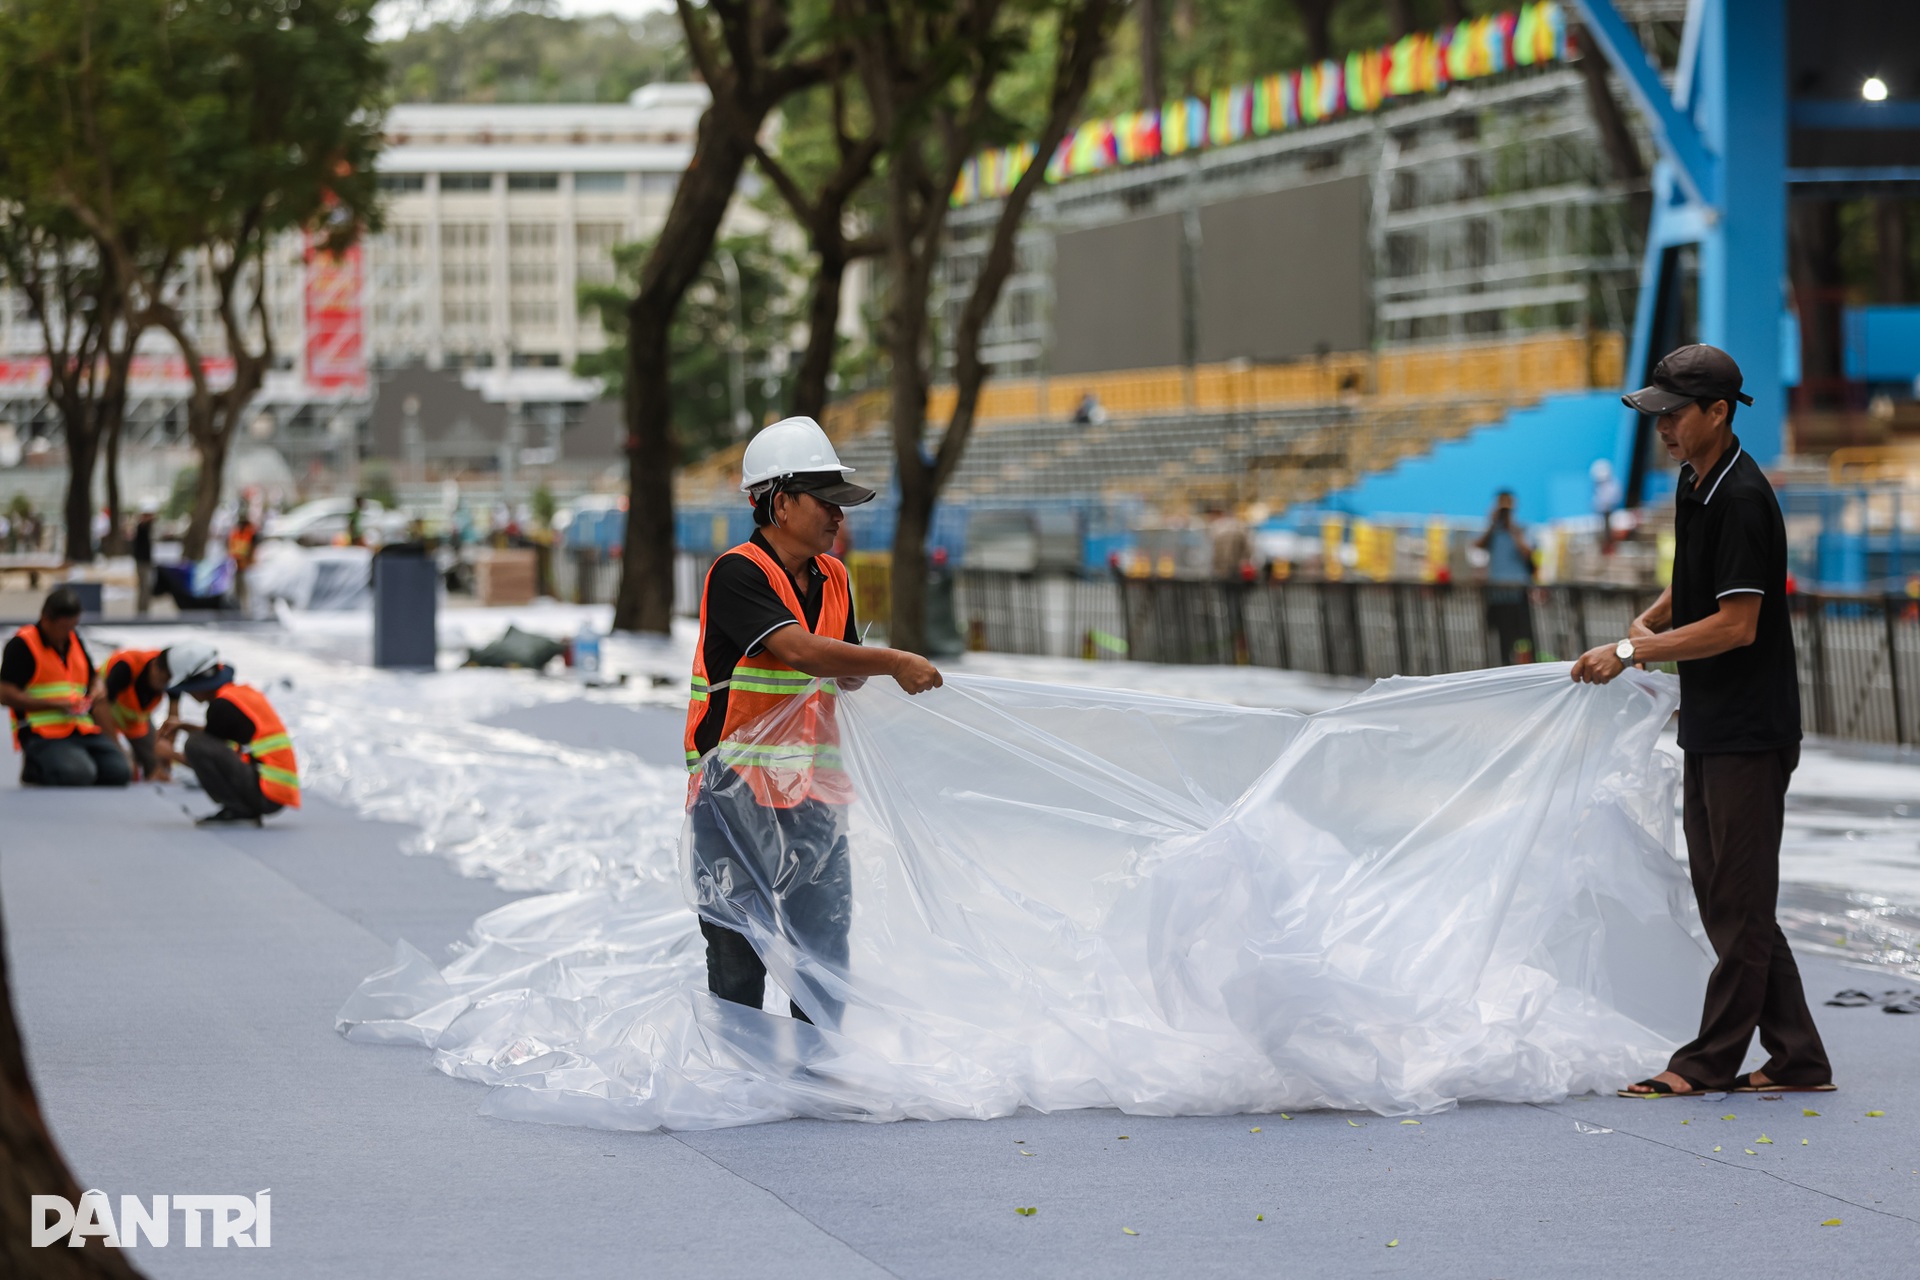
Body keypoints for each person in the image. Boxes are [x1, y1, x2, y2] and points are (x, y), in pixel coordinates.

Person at [1572, 343, 1832, 1098]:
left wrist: (1628, 650)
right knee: (1728, 896)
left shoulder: (1743, 498)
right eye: (1656, 417)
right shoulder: (1698, 482)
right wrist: (1651, 619)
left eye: (1673, 416)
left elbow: (1735, 624)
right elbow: (1694, 582)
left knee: (1740, 901)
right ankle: (1800, 1057)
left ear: (1718, 413)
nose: (1662, 431)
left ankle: (1706, 1061)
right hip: (1713, 721)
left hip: (1751, 729)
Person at [683, 416, 942, 1028]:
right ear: (778, 501)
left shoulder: (835, 578)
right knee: (738, 944)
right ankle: (742, 1077)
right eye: (824, 501)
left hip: (815, 790)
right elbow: (799, 651)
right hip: (734, 789)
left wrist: (866, 671)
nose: (837, 517)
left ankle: (815, 1074)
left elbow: (839, 669)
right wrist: (893, 661)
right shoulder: (738, 573)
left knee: (823, 941)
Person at [0, 587, 129, 787]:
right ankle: (35, 768)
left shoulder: (74, 639)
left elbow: (92, 676)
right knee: (78, 774)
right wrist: (54, 704)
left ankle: (75, 759)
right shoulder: (23, 645)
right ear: (45, 619)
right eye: (63, 627)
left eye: (73, 626)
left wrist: (97, 688)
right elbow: (5, 694)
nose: (68, 633)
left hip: (81, 727)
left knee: (120, 771)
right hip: (41, 732)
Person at [156, 660, 300, 826]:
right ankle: (243, 809)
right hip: (277, 791)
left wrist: (169, 754)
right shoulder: (239, 695)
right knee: (199, 742)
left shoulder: (220, 707)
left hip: (265, 793)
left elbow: (203, 754)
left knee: (194, 744)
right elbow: (217, 738)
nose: (189, 693)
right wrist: (184, 725)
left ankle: (239, 810)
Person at [91, 642, 208, 782]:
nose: (165, 686)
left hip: (136, 723)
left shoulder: (173, 677)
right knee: (122, 768)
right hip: (101, 720)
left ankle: (149, 769)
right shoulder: (125, 667)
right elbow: (100, 709)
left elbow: (173, 719)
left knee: (158, 768)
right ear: (155, 667)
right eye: (163, 680)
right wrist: (119, 749)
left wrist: (167, 753)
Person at [1476, 490, 1536, 664]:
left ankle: (1525, 669)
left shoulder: (1521, 529)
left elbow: (1528, 552)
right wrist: (1492, 522)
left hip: (1518, 592)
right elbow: (1478, 546)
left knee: (1523, 638)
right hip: (1497, 593)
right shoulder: (1493, 531)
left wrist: (1511, 527)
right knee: (1501, 638)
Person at [131, 509, 156, 616]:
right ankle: (142, 610)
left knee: (146, 587)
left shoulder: (146, 528)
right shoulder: (141, 528)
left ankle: (144, 609)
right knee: (144, 586)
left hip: (145, 561)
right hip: (142, 562)